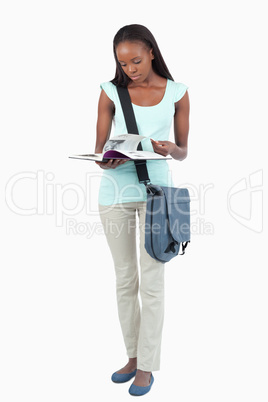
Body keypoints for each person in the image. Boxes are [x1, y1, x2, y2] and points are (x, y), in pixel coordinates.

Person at [95, 24, 190, 396]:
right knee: (125, 281)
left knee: (152, 284)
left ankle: (148, 366)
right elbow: (101, 148)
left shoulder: (178, 93)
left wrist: (169, 149)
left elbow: (184, 150)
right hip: (114, 194)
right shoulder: (109, 92)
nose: (131, 69)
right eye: (123, 63)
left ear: (151, 51)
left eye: (136, 60)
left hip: (158, 194)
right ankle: (132, 356)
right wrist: (105, 160)